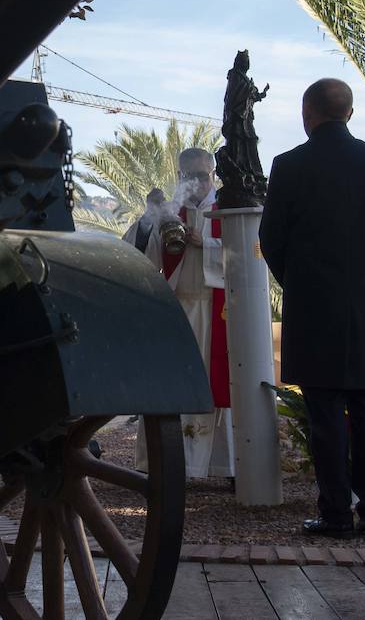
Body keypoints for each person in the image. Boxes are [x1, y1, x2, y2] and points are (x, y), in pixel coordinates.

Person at [259, 78, 365, 539]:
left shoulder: (289, 165)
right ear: (350, 113)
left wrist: (297, 282)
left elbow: (271, 239)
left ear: (307, 114)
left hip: (313, 302)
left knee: (324, 413)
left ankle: (336, 514)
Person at [136, 147, 234, 482]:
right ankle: (175, 463)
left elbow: (251, 257)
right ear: (180, 176)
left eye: (202, 175)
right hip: (179, 309)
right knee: (176, 384)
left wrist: (204, 244)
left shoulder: (226, 212)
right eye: (188, 176)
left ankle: (221, 465)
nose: (195, 182)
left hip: (215, 311)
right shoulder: (171, 211)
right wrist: (151, 216)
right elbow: (143, 258)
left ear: (213, 175)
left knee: (218, 384)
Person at [122, 188, 168, 254]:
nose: (154, 205)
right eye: (153, 201)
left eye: (157, 202)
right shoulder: (134, 228)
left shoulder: (165, 225)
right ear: (148, 201)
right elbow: (124, 246)